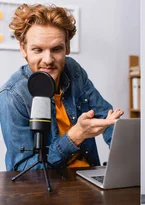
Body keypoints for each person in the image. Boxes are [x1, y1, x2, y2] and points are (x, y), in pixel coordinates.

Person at [0, 4, 123, 171]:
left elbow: (107, 118)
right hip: (46, 187)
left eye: (56, 49)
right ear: (23, 49)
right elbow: (22, 169)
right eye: (38, 50)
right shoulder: (12, 96)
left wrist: (124, 158)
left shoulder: (73, 70)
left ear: (67, 47)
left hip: (88, 177)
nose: (48, 60)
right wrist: (75, 136)